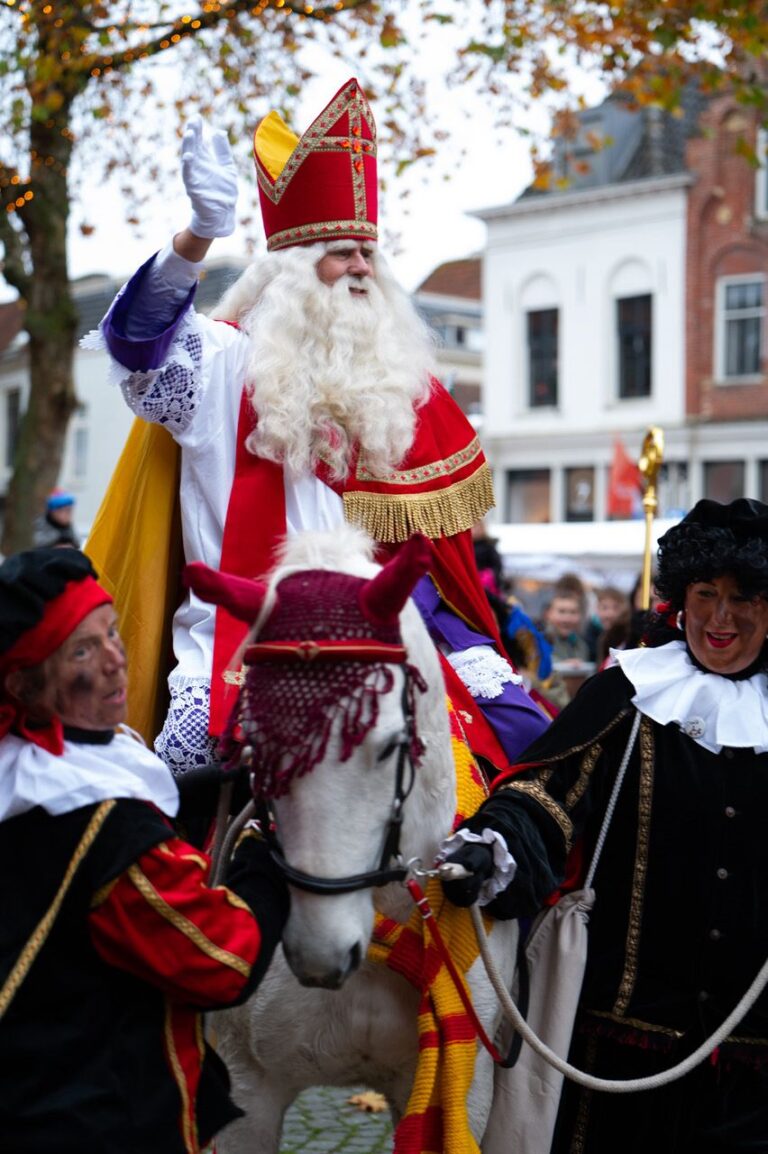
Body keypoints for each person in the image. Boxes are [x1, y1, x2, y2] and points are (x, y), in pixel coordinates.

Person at [83, 78, 547, 775]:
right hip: (248, 644)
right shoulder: (224, 365)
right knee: (189, 805)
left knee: (529, 743)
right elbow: (137, 340)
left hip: (387, 633)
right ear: (292, 271)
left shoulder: (402, 383)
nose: (361, 266)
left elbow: (426, 555)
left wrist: (462, 644)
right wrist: (195, 238)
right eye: (340, 250)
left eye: (368, 250)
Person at [440, 496, 768, 1153]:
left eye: (743, 598)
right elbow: (546, 793)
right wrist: (496, 841)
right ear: (680, 597)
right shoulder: (629, 693)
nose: (720, 618)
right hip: (622, 1050)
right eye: (705, 594)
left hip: (755, 1066)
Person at [0, 547, 289, 1153]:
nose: (114, 661)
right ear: (24, 684)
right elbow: (222, 959)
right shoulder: (103, 824)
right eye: (81, 650)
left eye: (111, 632)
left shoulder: (27, 776)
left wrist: (194, 800)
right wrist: (267, 852)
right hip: (89, 1121)